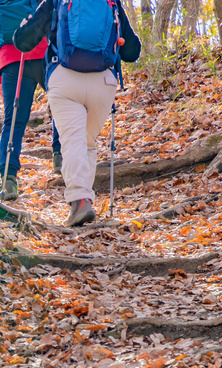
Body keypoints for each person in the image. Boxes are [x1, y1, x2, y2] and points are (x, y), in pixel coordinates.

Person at [13, 0, 140, 225]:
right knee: (87, 142)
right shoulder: (112, 2)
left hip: (65, 78)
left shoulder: (55, 1)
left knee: (72, 141)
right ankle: (84, 199)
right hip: (103, 82)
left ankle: (80, 202)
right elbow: (132, 51)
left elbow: (23, 41)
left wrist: (24, 27)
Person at [0, 0, 62, 202]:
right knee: (62, 103)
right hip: (43, 51)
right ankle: (60, 155)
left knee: (13, 120)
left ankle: (8, 178)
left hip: (10, 58)